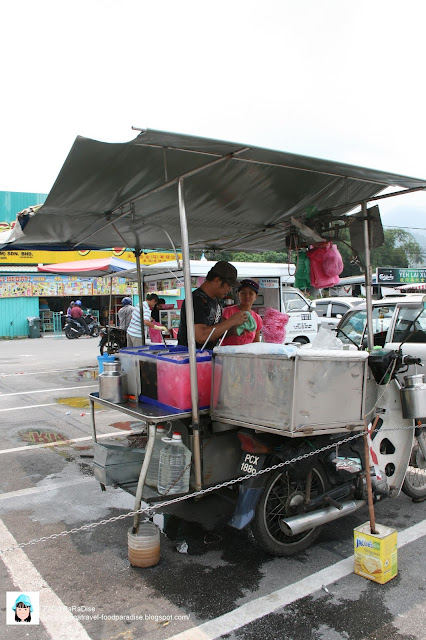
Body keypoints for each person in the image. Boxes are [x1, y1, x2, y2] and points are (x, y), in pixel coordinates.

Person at [177, 261, 248, 350]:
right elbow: (201, 336)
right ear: (217, 280)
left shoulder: (216, 299)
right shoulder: (196, 300)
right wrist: (231, 321)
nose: (229, 290)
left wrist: (231, 330)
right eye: (228, 285)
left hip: (207, 357)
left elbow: (214, 330)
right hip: (190, 359)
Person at [221, 279, 263, 345]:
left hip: (247, 354)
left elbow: (256, 343)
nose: (247, 296)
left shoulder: (257, 318)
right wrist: (232, 331)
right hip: (228, 353)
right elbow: (219, 334)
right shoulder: (228, 311)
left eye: (251, 293)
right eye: (243, 293)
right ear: (238, 294)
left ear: (255, 297)